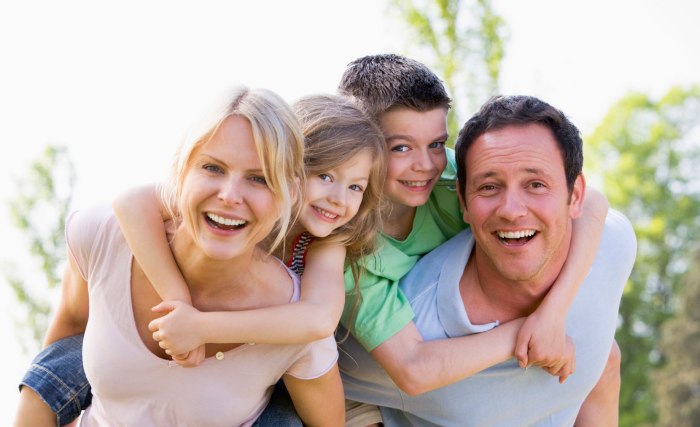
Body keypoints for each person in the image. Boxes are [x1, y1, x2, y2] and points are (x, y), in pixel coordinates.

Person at [13, 93, 386, 426]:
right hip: (152, 371)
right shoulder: (177, 213)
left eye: (356, 186)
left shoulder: (324, 245)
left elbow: (318, 320)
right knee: (66, 357)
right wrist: (178, 302)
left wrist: (201, 328)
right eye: (324, 176)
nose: (339, 198)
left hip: (267, 385)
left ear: (284, 185)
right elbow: (130, 201)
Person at [335, 54, 612, 426]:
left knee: (606, 356)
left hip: (450, 329)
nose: (426, 164)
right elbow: (412, 370)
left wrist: (551, 314)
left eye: (436, 144)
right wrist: (522, 332)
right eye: (401, 147)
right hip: (363, 378)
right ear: (356, 143)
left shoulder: (450, 180)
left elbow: (591, 200)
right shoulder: (349, 244)